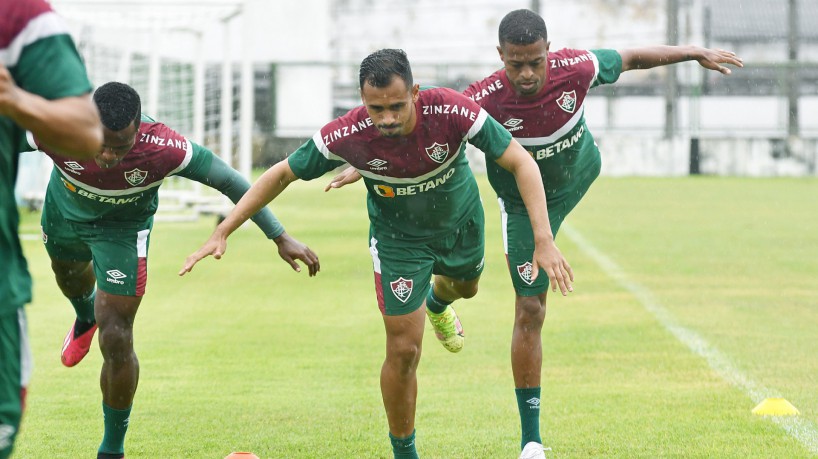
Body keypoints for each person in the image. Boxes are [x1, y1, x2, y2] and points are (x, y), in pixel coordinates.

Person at [327, 10, 743, 459]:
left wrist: (692, 52)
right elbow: (423, 124)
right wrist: (364, 161)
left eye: (535, 61)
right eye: (515, 63)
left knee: (521, 292)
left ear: (549, 51)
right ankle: (531, 441)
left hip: (579, 177)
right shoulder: (482, 97)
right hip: (525, 208)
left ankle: (440, 304)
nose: (526, 73)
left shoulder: (576, 68)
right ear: (500, 56)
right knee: (530, 306)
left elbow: (633, 57)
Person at [180, 48, 573, 459]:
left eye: (397, 106)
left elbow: (521, 162)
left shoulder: (452, 111)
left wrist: (543, 239)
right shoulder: (346, 133)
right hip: (397, 241)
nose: (386, 118)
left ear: (416, 93)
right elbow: (280, 175)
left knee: (468, 288)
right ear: (362, 100)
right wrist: (225, 229)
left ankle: (438, 302)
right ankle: (405, 453)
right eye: (376, 108)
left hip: (460, 227)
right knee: (403, 348)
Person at [33, 81, 319, 459]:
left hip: (121, 233)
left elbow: (230, 181)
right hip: (63, 218)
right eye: (99, 143)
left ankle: (111, 449)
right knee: (68, 278)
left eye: (118, 147)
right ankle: (85, 316)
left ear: (138, 128)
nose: (105, 155)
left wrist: (278, 235)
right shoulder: (56, 128)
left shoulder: (164, 148)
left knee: (117, 335)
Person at [0, 0, 103, 457]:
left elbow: (84, 132)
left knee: (116, 322)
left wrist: (15, 97)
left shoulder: (17, 16)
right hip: (59, 229)